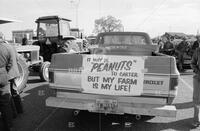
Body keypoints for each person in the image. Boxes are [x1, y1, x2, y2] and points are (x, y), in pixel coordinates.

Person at [0, 38, 13, 131]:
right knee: (5, 103)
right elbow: (10, 63)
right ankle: (8, 126)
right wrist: (4, 71)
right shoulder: (6, 48)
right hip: (3, 75)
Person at [191, 45, 200, 127]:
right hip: (198, 78)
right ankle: (196, 120)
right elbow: (193, 63)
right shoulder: (198, 51)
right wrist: (197, 72)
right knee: (196, 99)